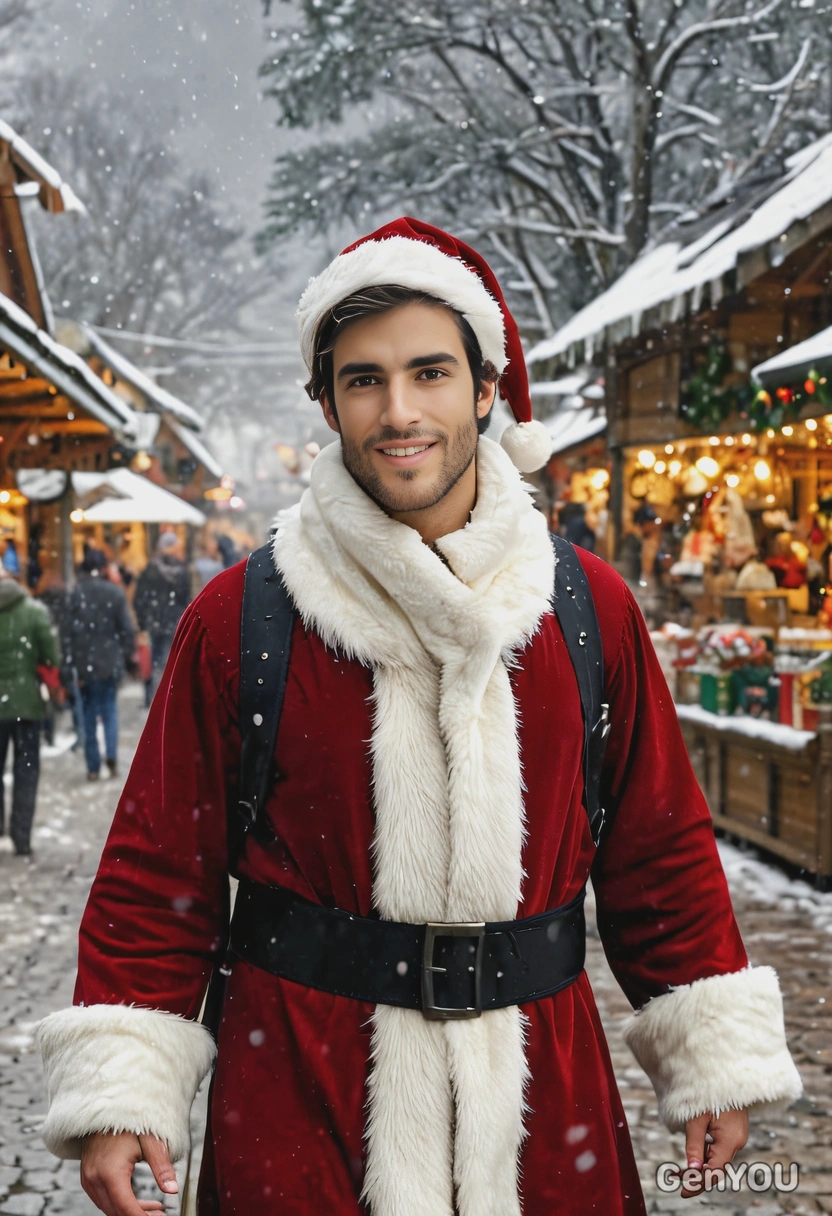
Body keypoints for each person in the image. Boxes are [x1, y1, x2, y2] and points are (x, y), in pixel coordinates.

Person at [36, 219, 801, 1216]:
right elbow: (158, 869)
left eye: (430, 372)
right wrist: (122, 1084)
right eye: (363, 379)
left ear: (484, 388)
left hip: (539, 1098)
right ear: (325, 402)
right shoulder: (242, 618)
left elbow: (656, 845)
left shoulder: (588, 607)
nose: (399, 410)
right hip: (299, 1098)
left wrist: (710, 1050)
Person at [0, 568, 60, 855]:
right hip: (27, 705)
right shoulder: (34, 611)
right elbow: (51, 656)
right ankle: (21, 837)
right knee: (26, 771)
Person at [64, 550, 136, 781]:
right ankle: (112, 755)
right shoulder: (114, 593)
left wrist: (68, 662)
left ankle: (93, 765)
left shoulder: (75, 594)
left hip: (84, 663)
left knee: (87, 713)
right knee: (109, 711)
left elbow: (66, 634)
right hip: (109, 661)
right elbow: (126, 629)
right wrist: (126, 656)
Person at [133, 533, 191, 706]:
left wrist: (143, 620)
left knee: (153, 659)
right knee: (170, 658)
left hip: (153, 621)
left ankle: (153, 696)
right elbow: (186, 599)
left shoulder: (150, 569)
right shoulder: (181, 571)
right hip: (174, 621)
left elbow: (139, 598)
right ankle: (168, 696)